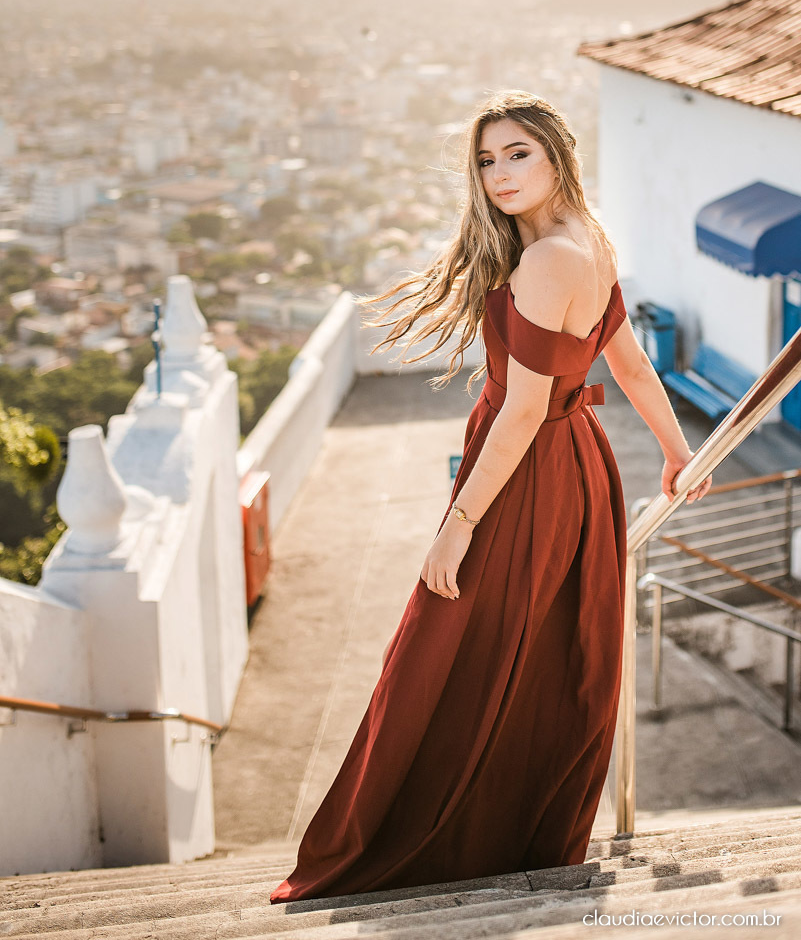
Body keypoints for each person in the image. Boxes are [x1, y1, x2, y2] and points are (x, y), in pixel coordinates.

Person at [270, 89, 711, 903]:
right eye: (485, 158)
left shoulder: (549, 259)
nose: (499, 174)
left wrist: (458, 524)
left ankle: (439, 842)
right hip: (574, 463)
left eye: (518, 154)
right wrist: (678, 451)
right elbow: (628, 362)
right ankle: (508, 837)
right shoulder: (588, 236)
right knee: (528, 654)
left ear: (556, 157)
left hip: (531, 470)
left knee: (449, 651)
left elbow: (518, 413)